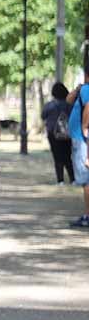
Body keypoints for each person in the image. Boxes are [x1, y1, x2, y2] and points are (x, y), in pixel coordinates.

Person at [66, 76, 89, 227]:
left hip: (83, 141)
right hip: (80, 139)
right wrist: (77, 89)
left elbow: (88, 110)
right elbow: (68, 99)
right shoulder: (84, 89)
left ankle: (87, 216)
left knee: (86, 180)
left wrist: (85, 129)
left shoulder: (87, 90)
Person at [43, 82, 74, 185]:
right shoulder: (69, 105)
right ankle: (72, 179)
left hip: (53, 134)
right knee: (68, 156)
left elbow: (43, 116)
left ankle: (60, 180)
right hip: (67, 133)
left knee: (57, 157)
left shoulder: (49, 105)